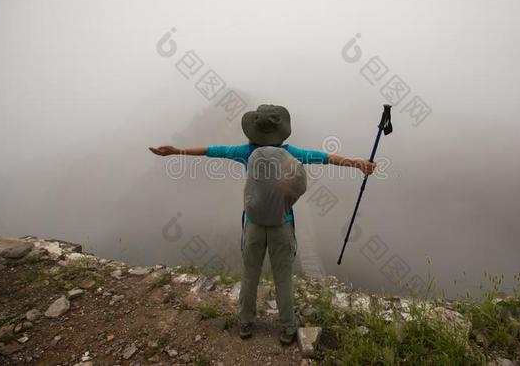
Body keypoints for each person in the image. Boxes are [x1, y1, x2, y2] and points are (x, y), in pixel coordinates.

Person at [149, 104, 375, 345]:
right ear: (281, 131)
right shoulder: (292, 153)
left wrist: (176, 151)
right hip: (282, 224)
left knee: (250, 275)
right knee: (283, 278)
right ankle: (288, 328)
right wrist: (356, 163)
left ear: (254, 130)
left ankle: (245, 322)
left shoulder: (246, 152)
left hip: (254, 225)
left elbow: (212, 151)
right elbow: (324, 157)